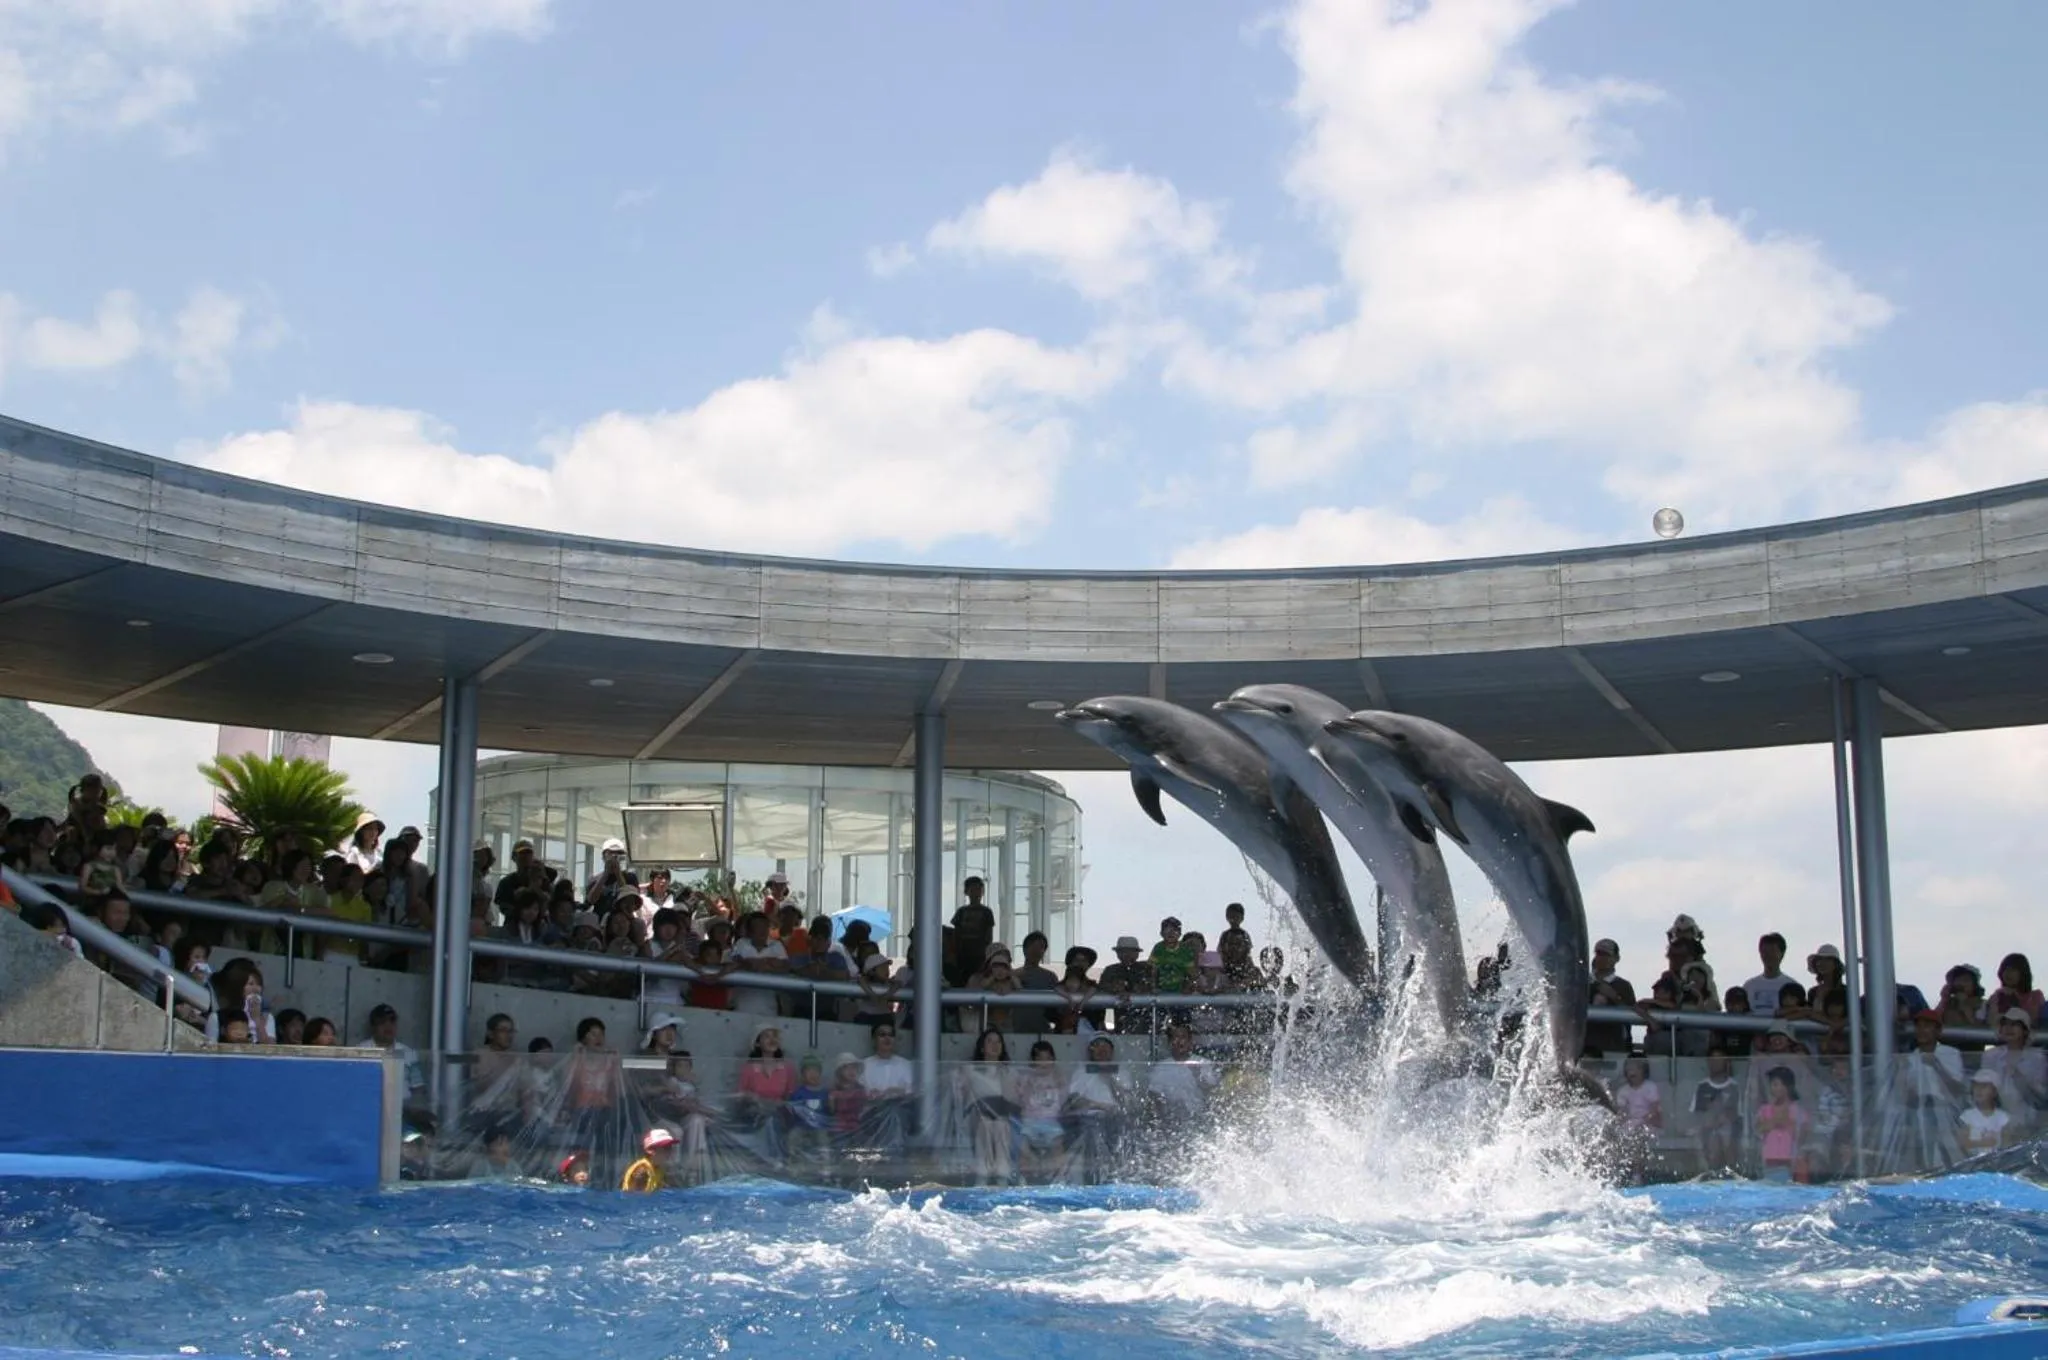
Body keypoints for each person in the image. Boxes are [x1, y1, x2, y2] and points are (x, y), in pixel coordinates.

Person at [957, 1029, 1017, 1185]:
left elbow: (1012, 1100)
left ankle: (1002, 1174)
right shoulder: (970, 1069)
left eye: (998, 1041)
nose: (995, 1045)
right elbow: (961, 1096)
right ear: (982, 1047)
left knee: (1000, 1125)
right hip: (976, 1115)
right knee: (986, 1124)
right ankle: (983, 1174)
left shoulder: (1009, 1071)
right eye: (990, 1041)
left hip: (1002, 1115)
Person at [1978, 1007, 2048, 1131]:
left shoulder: (2037, 1057)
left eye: (2015, 1024)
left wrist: (2018, 1076)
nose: (2008, 1028)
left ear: (2025, 1030)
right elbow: (1983, 1091)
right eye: (2005, 1024)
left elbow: (2039, 1095)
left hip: (2030, 1122)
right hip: (1996, 1122)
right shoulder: (1990, 1055)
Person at [1146, 1023, 1219, 1126]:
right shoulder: (1160, 1067)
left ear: (1190, 1041)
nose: (1180, 1041)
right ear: (1170, 1042)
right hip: (1171, 1122)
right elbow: (1154, 1097)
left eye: (1183, 1037)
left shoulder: (1203, 1063)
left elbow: (1213, 1093)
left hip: (1200, 1120)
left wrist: (1198, 1076)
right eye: (1176, 1037)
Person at [1014, 1040, 1067, 1182]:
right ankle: (1023, 1177)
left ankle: (1059, 1177)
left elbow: (1063, 1101)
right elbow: (1019, 1100)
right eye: (1040, 1059)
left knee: (1058, 1145)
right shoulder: (1025, 1078)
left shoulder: (1058, 1078)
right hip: (1029, 1122)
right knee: (1023, 1147)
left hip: (1051, 1122)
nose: (1044, 1063)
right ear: (1033, 1062)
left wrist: (1058, 1082)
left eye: (1048, 1059)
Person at [360, 1003, 426, 1104]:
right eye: (382, 1022)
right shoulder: (360, 1051)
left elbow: (418, 1089)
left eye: (392, 1021)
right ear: (373, 1026)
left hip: (404, 1113)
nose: (388, 1026)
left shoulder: (408, 1053)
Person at [1755, 1066, 1811, 1183]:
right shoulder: (1764, 1110)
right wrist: (1776, 1121)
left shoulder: (1799, 1111)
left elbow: (1802, 1137)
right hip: (1769, 1161)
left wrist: (1786, 1122)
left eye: (1776, 1084)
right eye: (1772, 1085)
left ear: (1787, 1086)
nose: (1773, 1088)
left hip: (1791, 1163)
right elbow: (1759, 1130)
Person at [1692, 1047, 1741, 1175]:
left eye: (1719, 1059)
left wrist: (1724, 1119)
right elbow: (1697, 1115)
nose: (1716, 1063)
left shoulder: (1735, 1086)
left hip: (1730, 1131)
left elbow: (1739, 1114)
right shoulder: (1702, 1086)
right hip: (1707, 1129)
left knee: (1726, 1132)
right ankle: (1709, 1173)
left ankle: (1731, 1172)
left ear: (1727, 1062)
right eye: (1712, 1059)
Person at [729, 911, 788, 1017]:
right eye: (758, 926)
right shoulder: (741, 943)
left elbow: (784, 966)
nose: (762, 930)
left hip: (769, 1007)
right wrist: (765, 963)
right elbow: (736, 962)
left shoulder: (777, 945)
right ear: (750, 930)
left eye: (765, 926)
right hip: (742, 1006)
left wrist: (758, 962)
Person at [1584, 938, 1636, 1057]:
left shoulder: (1624, 986)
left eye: (1606, 955)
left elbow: (1632, 1015)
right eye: (1599, 953)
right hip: (1585, 1047)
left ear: (1616, 958)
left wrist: (1614, 997)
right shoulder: (1583, 984)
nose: (1602, 958)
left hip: (1613, 1047)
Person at [1099, 936, 1155, 1034]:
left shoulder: (1146, 968)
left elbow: (1152, 986)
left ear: (1137, 954)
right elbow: (1101, 987)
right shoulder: (1110, 970)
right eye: (1123, 952)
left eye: (1131, 952)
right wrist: (1114, 989)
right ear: (1118, 954)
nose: (1127, 955)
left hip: (1143, 1016)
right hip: (1114, 1017)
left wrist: (1132, 991)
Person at [950, 876, 996, 989]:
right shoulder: (961, 911)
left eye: (978, 889)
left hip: (980, 955)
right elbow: (955, 934)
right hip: (962, 954)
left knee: (978, 981)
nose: (976, 892)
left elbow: (989, 935)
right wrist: (954, 953)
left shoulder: (986, 912)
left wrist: (987, 954)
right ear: (966, 892)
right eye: (973, 889)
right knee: (961, 982)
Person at [1960, 1074, 2012, 1157]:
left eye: (1984, 1086)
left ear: (1995, 1092)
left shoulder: (2003, 1117)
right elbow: (1964, 1144)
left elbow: (2007, 1145)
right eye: (1976, 1086)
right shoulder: (1967, 1116)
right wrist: (1984, 1142)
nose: (1978, 1090)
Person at [1988, 954, 2044, 1028]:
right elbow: (1992, 1023)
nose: (2008, 973)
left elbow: (2031, 1022)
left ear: (2023, 972)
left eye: (2013, 970)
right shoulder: (1997, 996)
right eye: (2005, 969)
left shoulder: (2035, 996)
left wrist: (2014, 997)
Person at [1744, 933, 1792, 1017]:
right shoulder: (1749, 986)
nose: (1768, 955)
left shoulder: (1792, 985)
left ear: (1782, 954)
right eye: (1764, 951)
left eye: (1773, 951)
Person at [621, 1127, 677, 1192]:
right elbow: (635, 1198)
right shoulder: (642, 1171)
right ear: (650, 1150)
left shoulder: (658, 1169)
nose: (669, 1152)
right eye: (665, 1148)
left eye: (670, 1147)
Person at [1150, 917, 1196, 996]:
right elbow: (1152, 971)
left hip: (1181, 991)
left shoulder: (1185, 950)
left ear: (1180, 934)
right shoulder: (1158, 948)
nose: (1171, 933)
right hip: (1161, 991)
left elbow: (1192, 974)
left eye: (1175, 930)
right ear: (1161, 933)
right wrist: (1154, 987)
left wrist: (1188, 987)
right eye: (1167, 930)